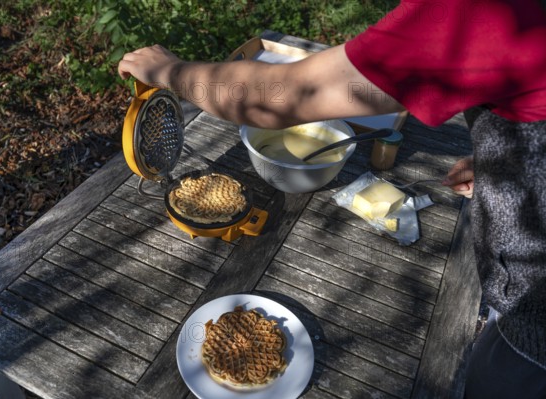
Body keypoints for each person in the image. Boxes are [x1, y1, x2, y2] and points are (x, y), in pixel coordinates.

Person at [118, 0, 546, 397]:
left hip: (532, 330)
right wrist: (508, 156)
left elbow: (276, 95)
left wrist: (170, 71)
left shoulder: (484, 11)